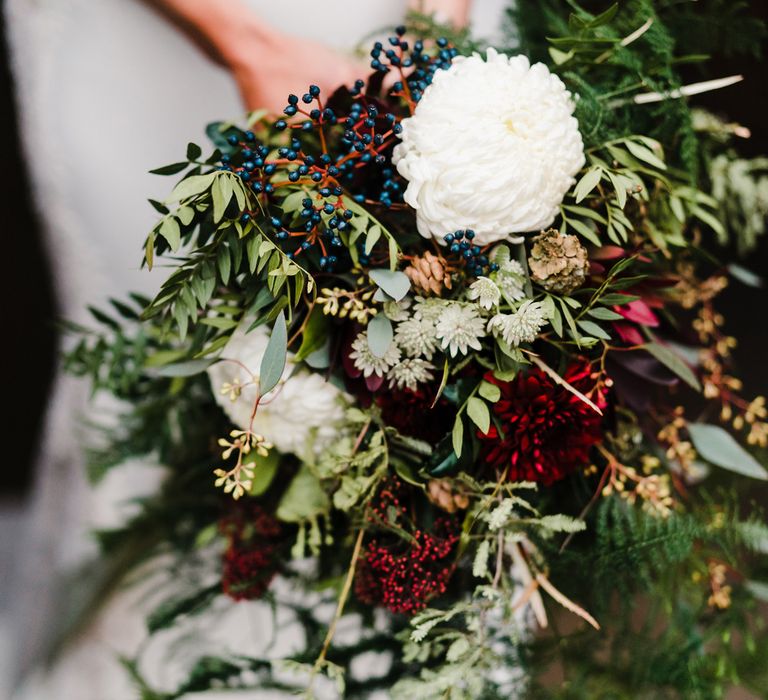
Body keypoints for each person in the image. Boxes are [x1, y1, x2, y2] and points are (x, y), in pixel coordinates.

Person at [3, 1, 509, 697]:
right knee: (166, 365)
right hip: (157, 47)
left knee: (414, 387)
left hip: (398, 27)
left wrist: (435, 27)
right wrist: (247, 44)